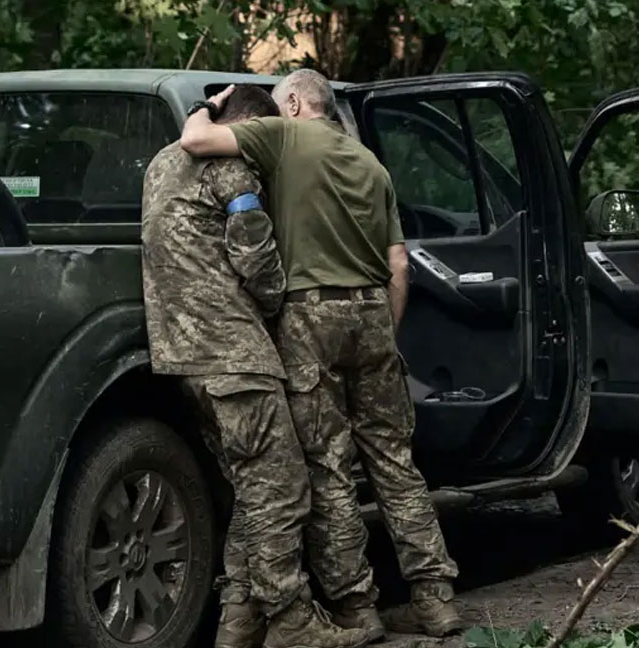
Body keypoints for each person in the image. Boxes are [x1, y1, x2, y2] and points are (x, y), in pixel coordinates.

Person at [179, 70, 462, 641]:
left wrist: (211, 106)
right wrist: (382, 331)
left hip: (308, 317)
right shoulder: (371, 165)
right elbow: (399, 266)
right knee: (395, 463)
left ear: (292, 101)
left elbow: (194, 142)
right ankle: (435, 599)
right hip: (373, 317)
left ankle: (357, 608)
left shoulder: (283, 135)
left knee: (329, 469)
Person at [141, 84, 369, 648]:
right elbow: (257, 260)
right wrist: (277, 305)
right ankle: (292, 621)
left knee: (252, 490)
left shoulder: (160, 164)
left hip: (180, 354)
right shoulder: (232, 168)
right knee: (285, 488)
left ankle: (239, 622)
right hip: (234, 354)